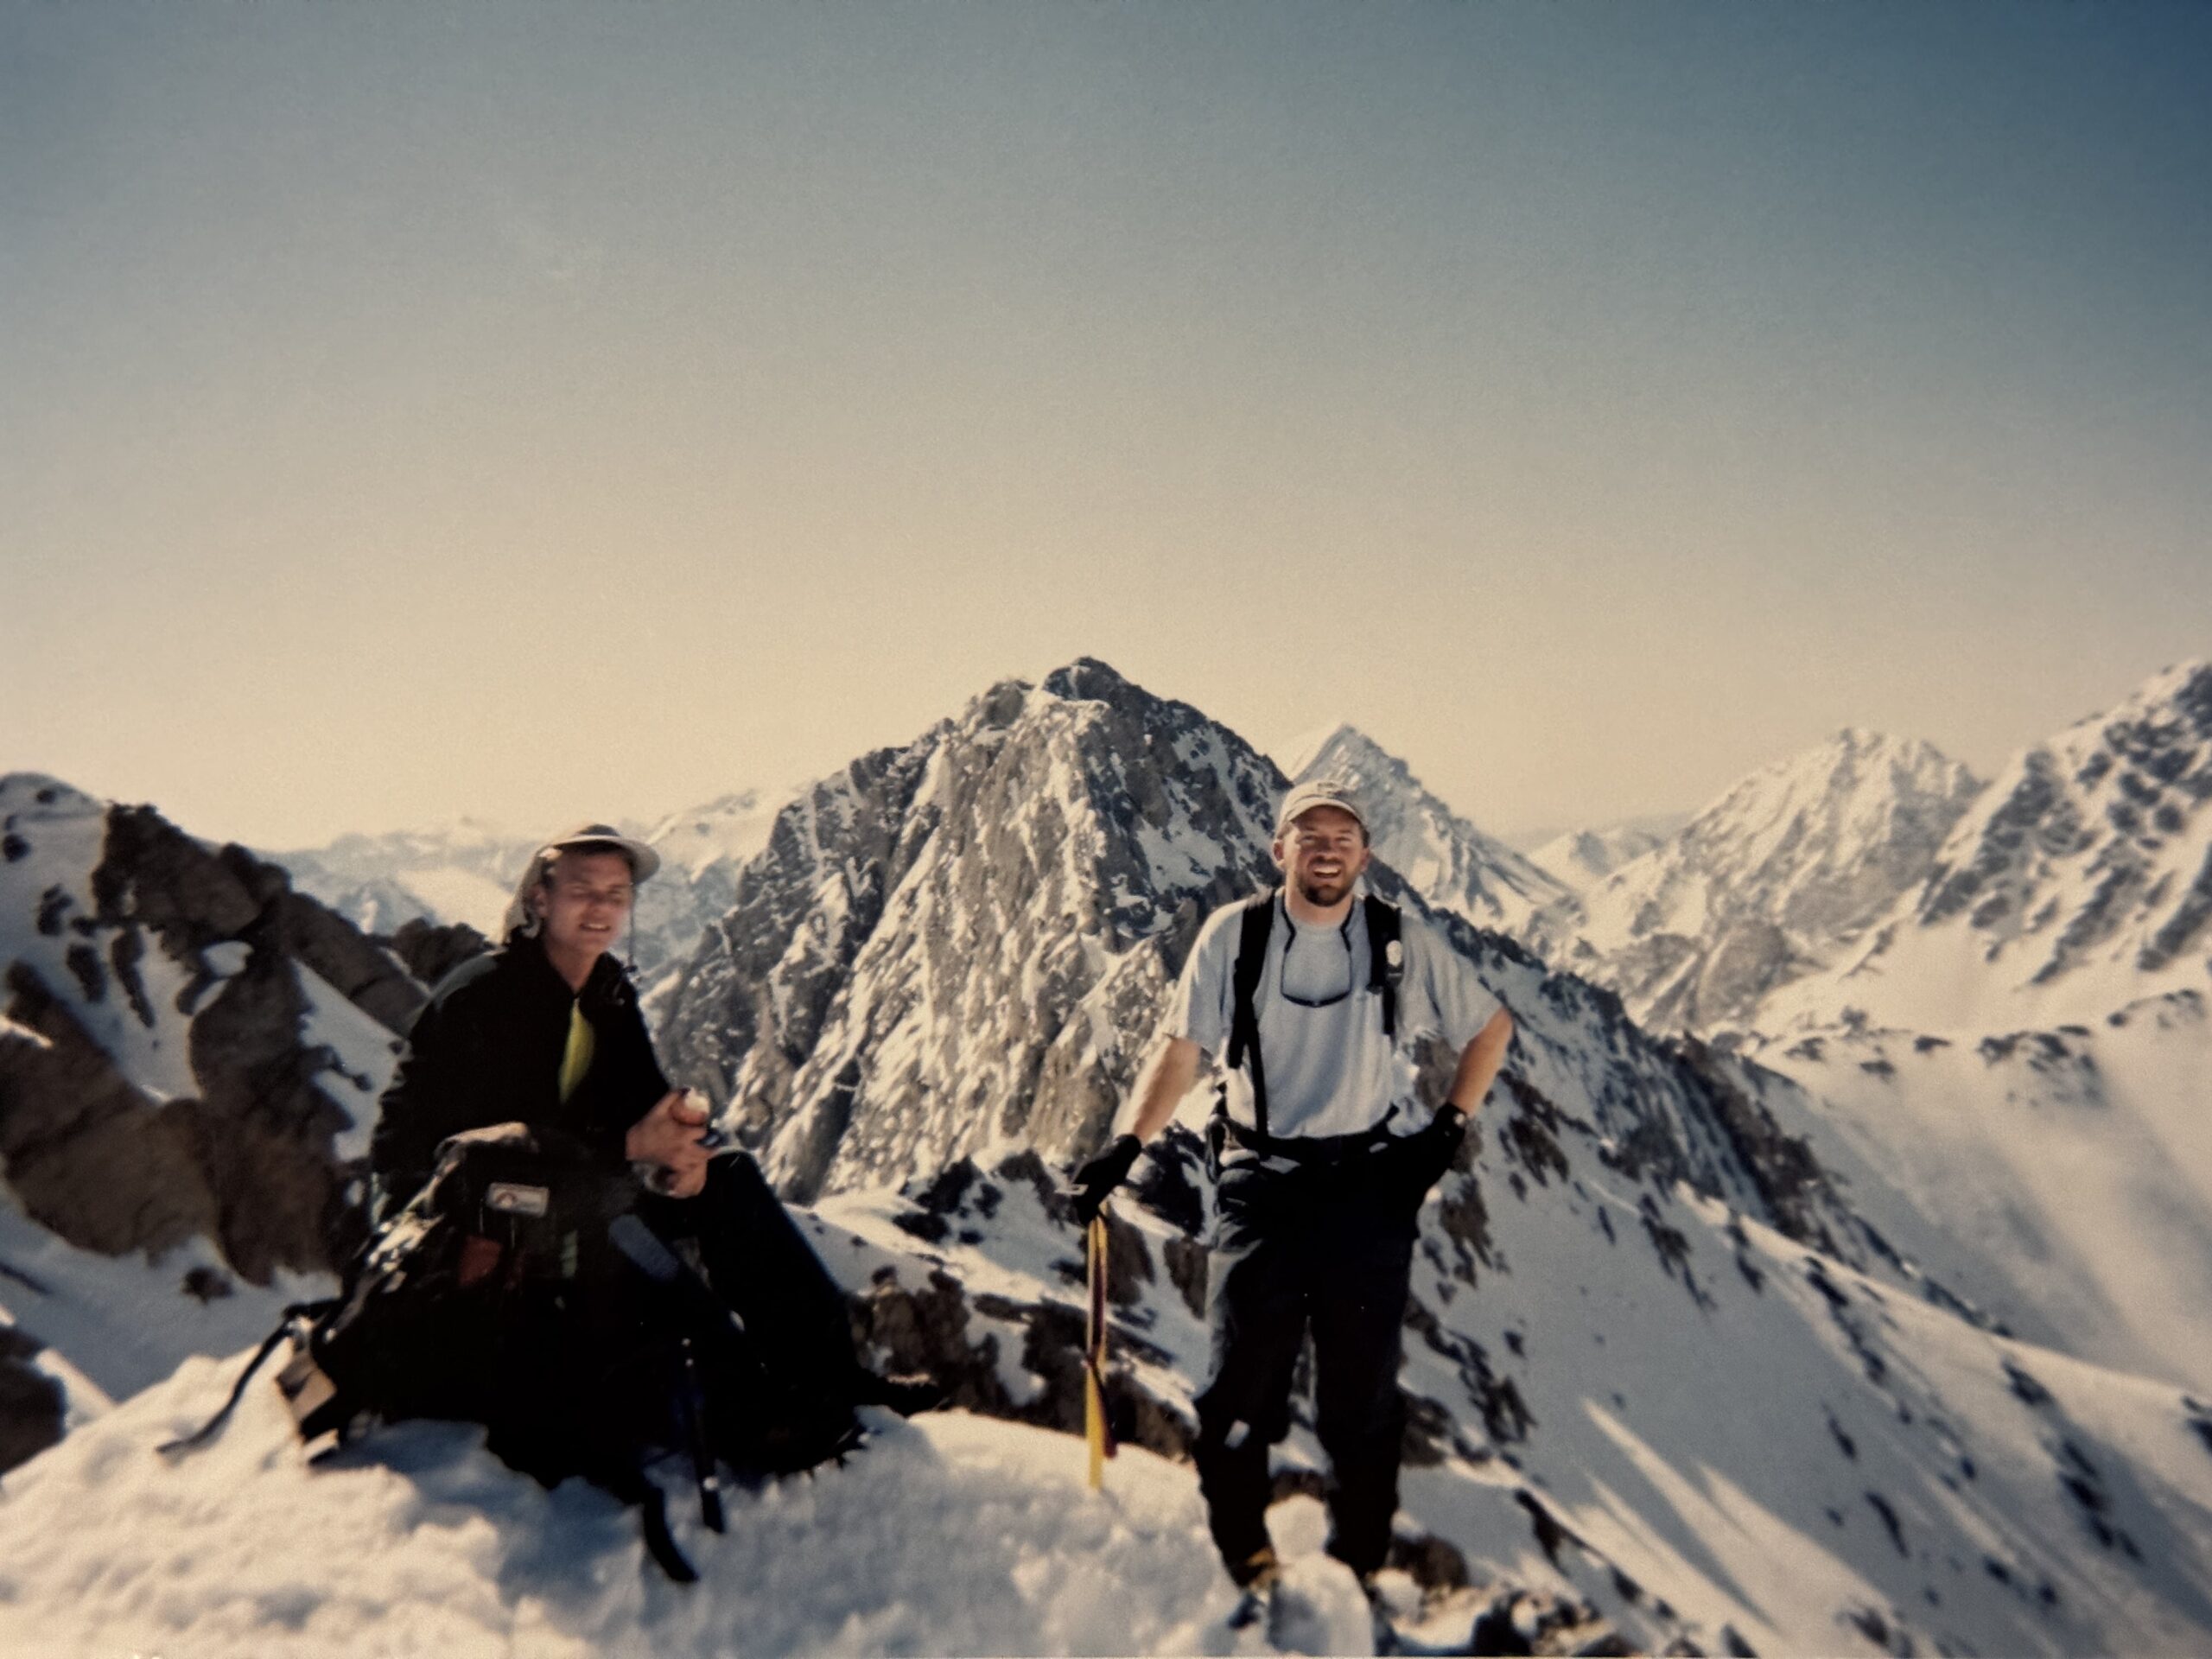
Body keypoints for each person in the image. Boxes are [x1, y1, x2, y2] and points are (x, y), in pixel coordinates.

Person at [1071, 779, 1513, 1599]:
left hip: (1367, 1192)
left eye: (1343, 835)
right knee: (1236, 1390)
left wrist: (1446, 1132)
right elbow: (1181, 1053)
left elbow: (1490, 1027)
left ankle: (1355, 1571)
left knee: (1362, 1404)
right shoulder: (1234, 937)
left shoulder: (1397, 940)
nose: (1326, 847)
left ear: (1366, 855)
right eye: (1307, 834)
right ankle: (1249, 1563)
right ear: (1278, 851)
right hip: (1260, 1188)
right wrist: (1124, 1147)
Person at [369, 823, 936, 1439]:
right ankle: (747, 1413)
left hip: (563, 1193)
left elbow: (646, 1104)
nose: (602, 908)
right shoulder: (488, 995)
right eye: (584, 890)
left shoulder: (607, 994)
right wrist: (631, 1148)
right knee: (628, 1236)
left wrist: (685, 1156)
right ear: (540, 898)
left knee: (731, 1180)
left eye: (616, 894)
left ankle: (831, 1374)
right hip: (455, 1210)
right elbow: (491, 1149)